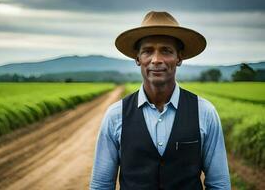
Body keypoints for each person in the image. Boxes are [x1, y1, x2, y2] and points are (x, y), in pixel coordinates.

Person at [90, 11, 231, 190]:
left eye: (166, 51)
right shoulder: (116, 116)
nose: (156, 60)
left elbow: (219, 185)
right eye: (148, 51)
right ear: (137, 59)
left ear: (179, 58)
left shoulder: (204, 113)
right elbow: (101, 186)